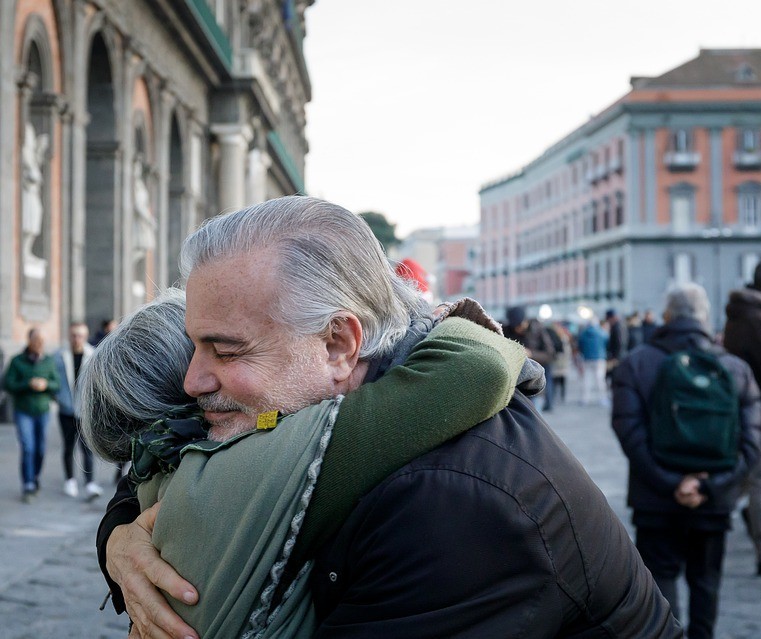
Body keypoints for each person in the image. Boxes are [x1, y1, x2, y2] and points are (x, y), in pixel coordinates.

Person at [97, 196, 681, 639]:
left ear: (337, 345)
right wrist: (120, 541)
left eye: (226, 352)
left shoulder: (451, 503)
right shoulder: (303, 413)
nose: (192, 381)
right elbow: (175, 454)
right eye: (195, 345)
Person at [81, 288, 527, 637]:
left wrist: (116, 539)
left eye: (224, 350)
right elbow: (477, 367)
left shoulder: (166, 470)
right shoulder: (275, 458)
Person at [612, 283, 761, 639]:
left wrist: (671, 482)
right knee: (706, 580)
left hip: (655, 498)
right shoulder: (735, 368)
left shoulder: (636, 363)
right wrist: (709, 485)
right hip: (714, 499)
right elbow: (752, 441)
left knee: (660, 581)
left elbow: (629, 432)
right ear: (705, 318)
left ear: (666, 316)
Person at [723, 261, 761, 575]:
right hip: (755, 404)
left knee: (750, 473)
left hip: (737, 407)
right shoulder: (756, 320)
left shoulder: (735, 317)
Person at [3, 328, 60, 502]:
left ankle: (35, 476)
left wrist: (46, 384)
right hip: (23, 411)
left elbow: (56, 384)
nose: (39, 344)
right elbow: (8, 384)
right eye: (36, 341)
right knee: (28, 447)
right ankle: (27, 483)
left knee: (41, 449)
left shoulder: (49, 361)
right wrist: (28, 384)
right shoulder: (17, 361)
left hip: (42, 410)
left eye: (42, 341)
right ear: (29, 341)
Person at [54, 322, 103, 499]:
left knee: (87, 448)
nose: (77, 339)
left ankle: (90, 483)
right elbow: (54, 380)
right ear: (69, 336)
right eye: (74, 335)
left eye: (80, 335)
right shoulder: (59, 356)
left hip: (85, 410)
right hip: (66, 410)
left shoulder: (93, 355)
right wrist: (58, 398)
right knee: (68, 447)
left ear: (86, 336)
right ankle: (70, 481)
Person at [502, 306, 556, 411]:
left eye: (520, 325)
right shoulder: (508, 330)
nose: (518, 329)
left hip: (536, 376)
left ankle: (549, 404)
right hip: (518, 379)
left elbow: (550, 354)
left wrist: (531, 354)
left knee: (534, 411)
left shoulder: (538, 329)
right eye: (515, 326)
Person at [577, 316, 609, 406]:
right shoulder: (602, 333)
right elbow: (607, 344)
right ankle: (603, 399)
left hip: (587, 358)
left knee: (586, 379)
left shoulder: (583, 334)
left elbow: (580, 346)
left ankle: (584, 399)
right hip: (599, 358)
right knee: (600, 379)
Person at [605, 307, 628, 382]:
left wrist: (615, 357)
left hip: (618, 357)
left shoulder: (617, 327)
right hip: (619, 356)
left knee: (616, 378)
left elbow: (620, 343)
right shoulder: (619, 325)